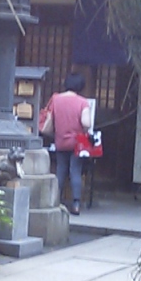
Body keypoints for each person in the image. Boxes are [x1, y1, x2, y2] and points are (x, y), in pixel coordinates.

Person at [45, 72, 91, 215]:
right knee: (75, 171)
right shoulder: (83, 102)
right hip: (77, 142)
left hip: (60, 141)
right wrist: (84, 130)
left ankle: (55, 201)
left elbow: (48, 125)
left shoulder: (56, 99)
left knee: (60, 170)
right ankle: (76, 204)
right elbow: (86, 123)